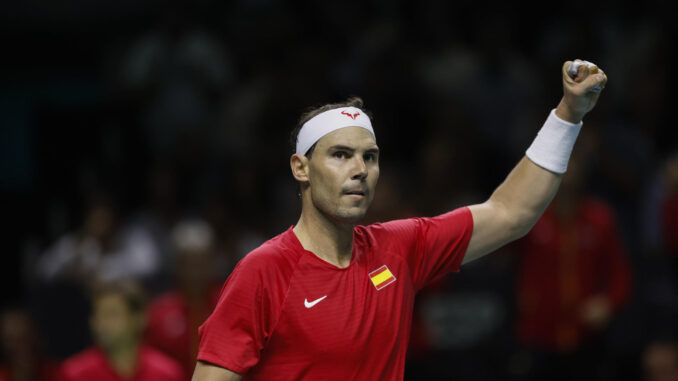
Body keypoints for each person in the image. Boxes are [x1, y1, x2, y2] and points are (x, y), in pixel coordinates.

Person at [192, 60, 609, 380]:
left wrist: (569, 114)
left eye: (369, 157)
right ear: (301, 168)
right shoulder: (263, 272)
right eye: (340, 155)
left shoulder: (399, 247)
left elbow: (510, 213)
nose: (360, 169)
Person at [514, 151, 632, 380]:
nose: (568, 171)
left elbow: (621, 275)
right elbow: (501, 254)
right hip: (538, 336)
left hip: (586, 339)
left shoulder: (600, 219)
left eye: (573, 163)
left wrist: (608, 303)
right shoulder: (531, 217)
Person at [59, 280, 184, 381]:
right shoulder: (73, 374)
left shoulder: (168, 374)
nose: (101, 324)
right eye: (97, 315)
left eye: (112, 314)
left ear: (139, 319)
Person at [144, 220, 221, 379]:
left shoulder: (227, 304)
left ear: (211, 263)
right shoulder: (159, 312)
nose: (195, 271)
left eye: (200, 263)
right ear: (177, 265)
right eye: (189, 263)